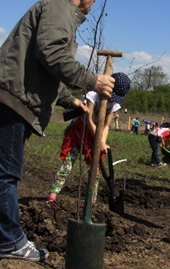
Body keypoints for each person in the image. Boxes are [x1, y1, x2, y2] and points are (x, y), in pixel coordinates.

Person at [0, 0, 115, 263]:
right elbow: (52, 54)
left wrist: (70, 100)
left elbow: (43, 68)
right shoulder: (60, 7)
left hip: (11, 95)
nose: (95, 0)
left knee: (2, 167)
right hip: (11, 98)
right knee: (6, 172)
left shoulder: (54, 10)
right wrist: (92, 81)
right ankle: (9, 241)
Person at [48, 72, 130, 203]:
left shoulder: (114, 105)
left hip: (97, 136)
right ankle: (53, 195)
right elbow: (89, 119)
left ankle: (91, 201)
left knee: (95, 170)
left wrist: (102, 142)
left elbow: (106, 126)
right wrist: (99, 140)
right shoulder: (93, 96)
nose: (111, 99)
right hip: (81, 131)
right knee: (68, 164)